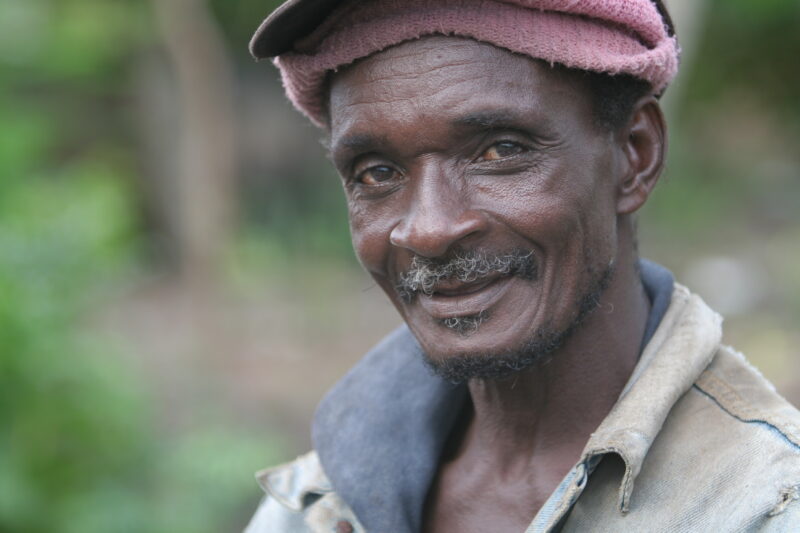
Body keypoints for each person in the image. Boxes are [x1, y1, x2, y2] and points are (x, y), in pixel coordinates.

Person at [244, 1, 800, 531]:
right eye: (377, 173)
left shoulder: (767, 505)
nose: (430, 230)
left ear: (634, 154)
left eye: (500, 150)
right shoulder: (319, 504)